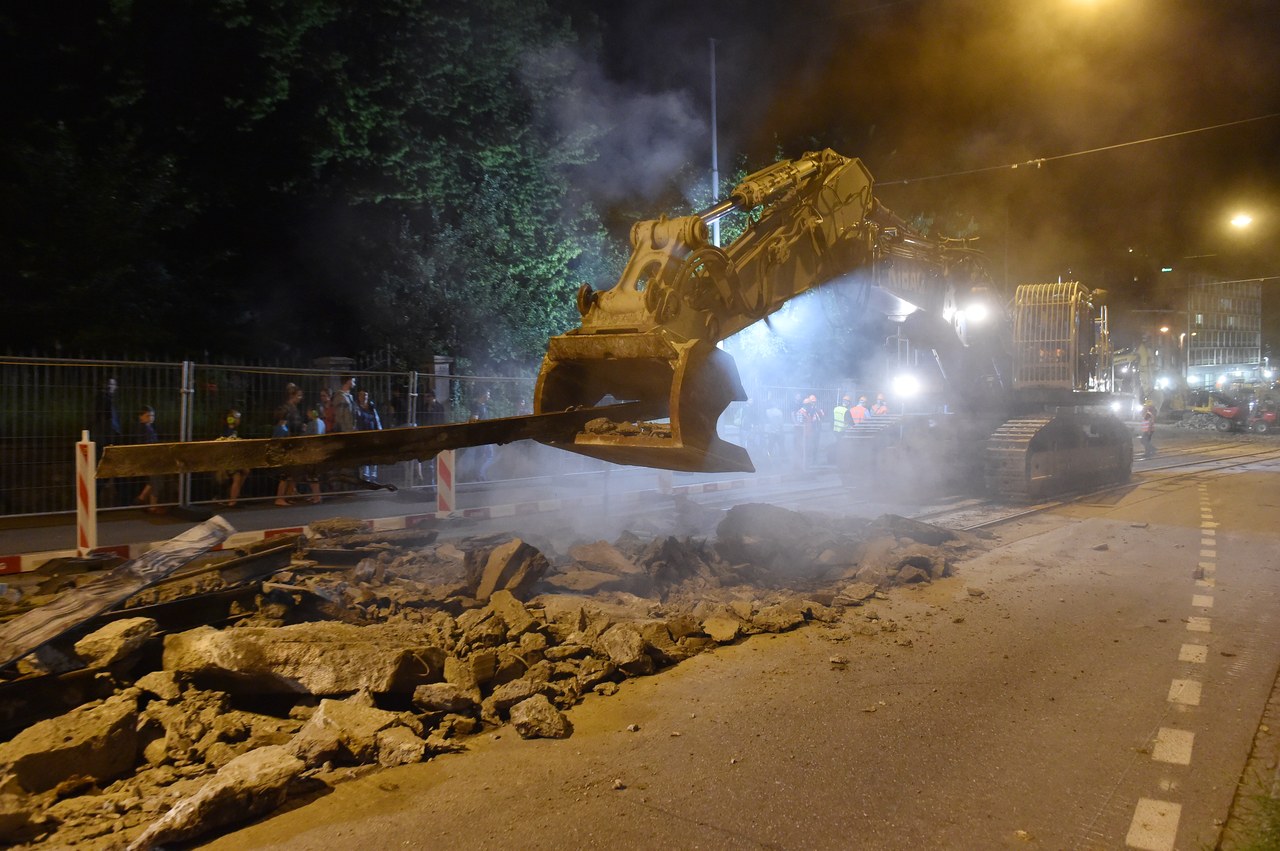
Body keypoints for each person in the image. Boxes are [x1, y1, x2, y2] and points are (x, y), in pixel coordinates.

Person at [91, 377, 121, 504]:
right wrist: (112, 439)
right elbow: (108, 422)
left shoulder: (103, 398)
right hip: (104, 440)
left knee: (101, 473)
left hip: (101, 439)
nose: (113, 387)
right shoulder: (105, 399)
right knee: (102, 473)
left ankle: (95, 501)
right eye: (111, 384)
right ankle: (95, 501)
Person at [133, 405, 167, 514]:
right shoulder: (144, 429)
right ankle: (151, 505)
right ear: (141, 417)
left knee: (155, 479)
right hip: (150, 458)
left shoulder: (147, 428)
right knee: (157, 480)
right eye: (148, 415)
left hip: (151, 457)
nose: (151, 418)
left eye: (152, 415)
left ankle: (142, 498)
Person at [215, 409, 248, 508]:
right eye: (237, 417)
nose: (239, 420)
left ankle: (234, 496)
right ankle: (232, 501)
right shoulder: (228, 431)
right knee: (237, 477)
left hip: (233, 458)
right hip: (229, 459)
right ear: (231, 419)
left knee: (245, 472)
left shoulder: (232, 430)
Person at [272, 406, 299, 505]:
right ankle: (280, 498)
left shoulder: (282, 427)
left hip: (285, 456)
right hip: (283, 456)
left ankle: (287, 496)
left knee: (287, 477)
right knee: (284, 478)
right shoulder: (281, 429)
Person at [355, 389, 383, 479]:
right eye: (362, 395)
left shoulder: (371, 407)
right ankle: (364, 475)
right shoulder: (356, 408)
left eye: (365, 395)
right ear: (358, 397)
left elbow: (376, 419)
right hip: (362, 436)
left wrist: (379, 432)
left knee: (373, 455)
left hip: (372, 435)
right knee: (363, 455)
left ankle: (373, 475)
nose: (364, 397)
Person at [795, 394, 824, 468]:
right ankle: (801, 464)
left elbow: (820, 417)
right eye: (811, 404)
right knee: (803, 449)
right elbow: (800, 424)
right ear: (806, 405)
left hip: (810, 433)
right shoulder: (802, 412)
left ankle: (807, 463)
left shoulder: (812, 411)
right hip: (803, 435)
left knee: (809, 448)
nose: (812, 405)